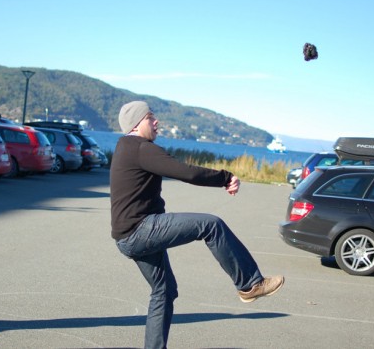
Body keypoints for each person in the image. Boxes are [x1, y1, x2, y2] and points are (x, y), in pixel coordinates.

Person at [110, 101, 285, 349]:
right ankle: (250, 284)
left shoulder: (124, 147)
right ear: (137, 124)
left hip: (128, 236)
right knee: (211, 225)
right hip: (141, 230)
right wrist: (225, 178)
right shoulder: (140, 148)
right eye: (150, 117)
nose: (156, 121)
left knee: (164, 291)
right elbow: (186, 172)